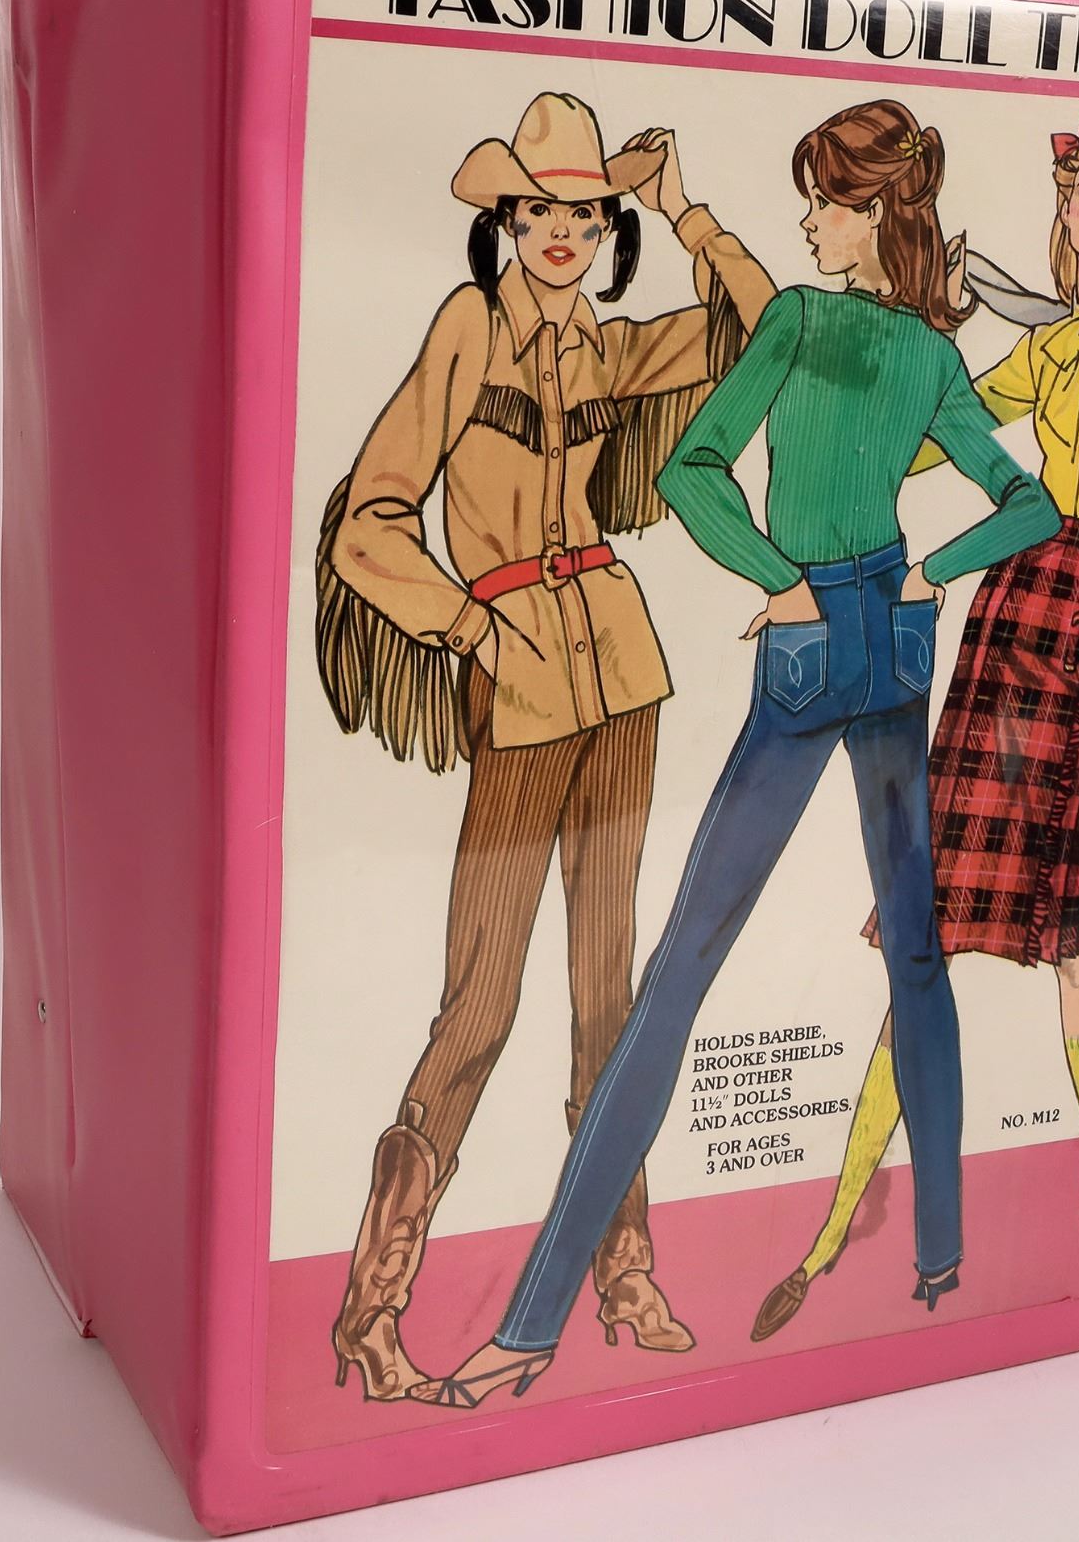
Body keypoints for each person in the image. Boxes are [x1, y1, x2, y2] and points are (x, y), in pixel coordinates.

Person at [415, 98, 1060, 1409]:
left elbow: (696, 473)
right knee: (905, 955)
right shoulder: (900, 346)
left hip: (827, 638)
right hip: (877, 636)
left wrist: (788, 579)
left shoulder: (816, 325)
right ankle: (940, 1263)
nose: (807, 220)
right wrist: (913, 570)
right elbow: (1023, 501)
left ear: (873, 211)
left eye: (822, 199)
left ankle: (528, 1330)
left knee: (685, 975)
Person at [320, 92, 778, 1399]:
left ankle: (621, 1271)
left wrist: (684, 209)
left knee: (606, 996)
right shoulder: (469, 328)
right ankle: (371, 1312)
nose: (563, 230)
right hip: (517, 689)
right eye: (538, 209)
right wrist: (469, 624)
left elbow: (764, 331)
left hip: (622, 677)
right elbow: (366, 524)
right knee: (479, 1001)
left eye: (586, 210)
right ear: (506, 223)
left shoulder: (609, 343)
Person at [752, 111, 1079, 1342]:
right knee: (931, 919)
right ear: (1062, 207)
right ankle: (829, 1227)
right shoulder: (1048, 342)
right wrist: (855, 423)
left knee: (1066, 922)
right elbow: (945, 428)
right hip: (1010, 598)